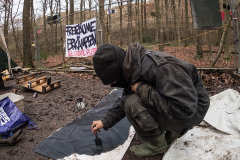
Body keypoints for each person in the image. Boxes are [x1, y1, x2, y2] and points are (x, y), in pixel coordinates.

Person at [91, 43, 210, 157]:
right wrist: (105, 121)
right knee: (129, 99)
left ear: (118, 71)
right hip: (187, 107)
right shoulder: (132, 67)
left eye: (113, 81)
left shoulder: (158, 67)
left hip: (192, 111)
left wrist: (141, 89)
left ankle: (158, 145)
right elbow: (125, 95)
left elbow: (185, 108)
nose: (113, 85)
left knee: (131, 103)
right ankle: (174, 132)